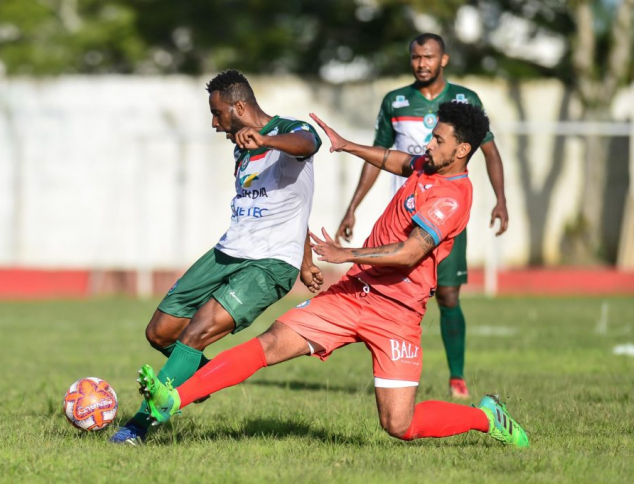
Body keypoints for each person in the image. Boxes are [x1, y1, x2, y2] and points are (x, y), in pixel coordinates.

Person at [138, 101, 529, 448]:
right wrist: (349, 146)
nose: (428, 144)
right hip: (351, 295)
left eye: (439, 140)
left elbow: (411, 252)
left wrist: (346, 253)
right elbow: (398, 161)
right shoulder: (429, 164)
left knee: (399, 423)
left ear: (462, 150)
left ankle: (487, 417)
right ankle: (174, 399)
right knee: (270, 343)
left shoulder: (452, 197)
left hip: (397, 313)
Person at [110, 69, 324, 444]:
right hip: (228, 251)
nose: (213, 123)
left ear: (239, 107)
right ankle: (197, 378)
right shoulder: (241, 147)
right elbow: (288, 204)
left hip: (268, 263)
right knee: (160, 332)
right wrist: (308, 260)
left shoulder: (288, 131)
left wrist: (268, 140)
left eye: (218, 112)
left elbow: (309, 143)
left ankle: (138, 427)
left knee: (195, 335)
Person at [336, 33, 509, 399]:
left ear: (443, 59)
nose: (421, 63)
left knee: (447, 295)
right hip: (403, 215)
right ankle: (392, 370)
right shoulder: (395, 101)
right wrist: (352, 207)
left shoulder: (465, 101)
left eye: (428, 56)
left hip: (441, 214)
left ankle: (457, 376)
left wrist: (501, 200)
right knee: (383, 291)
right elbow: (382, 156)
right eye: (415, 57)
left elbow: (490, 153)